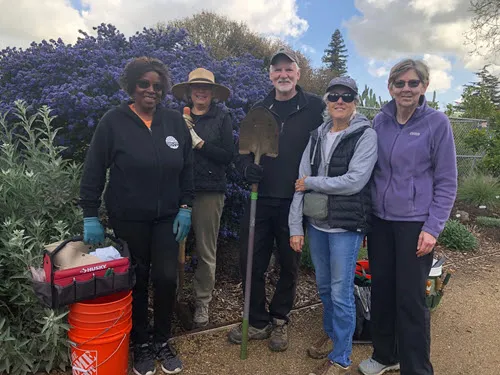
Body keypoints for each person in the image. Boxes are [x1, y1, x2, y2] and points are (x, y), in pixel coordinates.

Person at [79, 57, 194, 375]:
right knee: (137, 280)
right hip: (128, 216)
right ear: (131, 85)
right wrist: (90, 213)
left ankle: (162, 340)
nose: (151, 90)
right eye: (144, 83)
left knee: (167, 278)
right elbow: (94, 168)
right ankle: (140, 343)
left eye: (157, 86)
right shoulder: (113, 121)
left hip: (168, 218)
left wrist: (186, 207)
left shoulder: (173, 123)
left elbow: (188, 169)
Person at [358, 59, 457, 375]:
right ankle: (386, 355)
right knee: (383, 291)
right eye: (399, 83)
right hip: (380, 222)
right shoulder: (379, 122)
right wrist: (363, 219)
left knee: (411, 300)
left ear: (424, 87)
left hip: (415, 224)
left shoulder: (437, 123)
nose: (406, 89)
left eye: (413, 83)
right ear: (390, 87)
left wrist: (433, 227)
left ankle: (416, 368)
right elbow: (369, 172)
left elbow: (447, 180)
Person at [228, 47, 324, 351]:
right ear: (270, 75)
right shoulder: (259, 108)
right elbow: (241, 152)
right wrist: (247, 170)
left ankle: (280, 318)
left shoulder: (314, 107)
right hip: (261, 197)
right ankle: (257, 320)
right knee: (250, 261)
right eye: (277, 70)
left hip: (295, 200)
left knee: (288, 263)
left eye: (288, 69)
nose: (283, 75)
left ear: (298, 73)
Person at [289, 76, 378, 375]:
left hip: (346, 226)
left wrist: (314, 182)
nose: (340, 101)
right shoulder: (316, 136)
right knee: (325, 288)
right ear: (326, 101)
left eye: (347, 95)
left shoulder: (365, 135)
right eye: (334, 95)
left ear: (354, 101)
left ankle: (341, 356)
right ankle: (332, 334)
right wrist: (296, 227)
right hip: (317, 225)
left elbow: (354, 181)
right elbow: (299, 184)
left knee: (341, 292)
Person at [171, 68, 234, 328]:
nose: (200, 92)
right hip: (177, 192)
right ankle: (172, 298)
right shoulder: (177, 119)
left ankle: (202, 303)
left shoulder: (222, 118)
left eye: (205, 88)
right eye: (196, 88)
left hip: (209, 191)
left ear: (212, 93)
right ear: (188, 92)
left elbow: (227, 155)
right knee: (173, 248)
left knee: (207, 251)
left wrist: (199, 143)